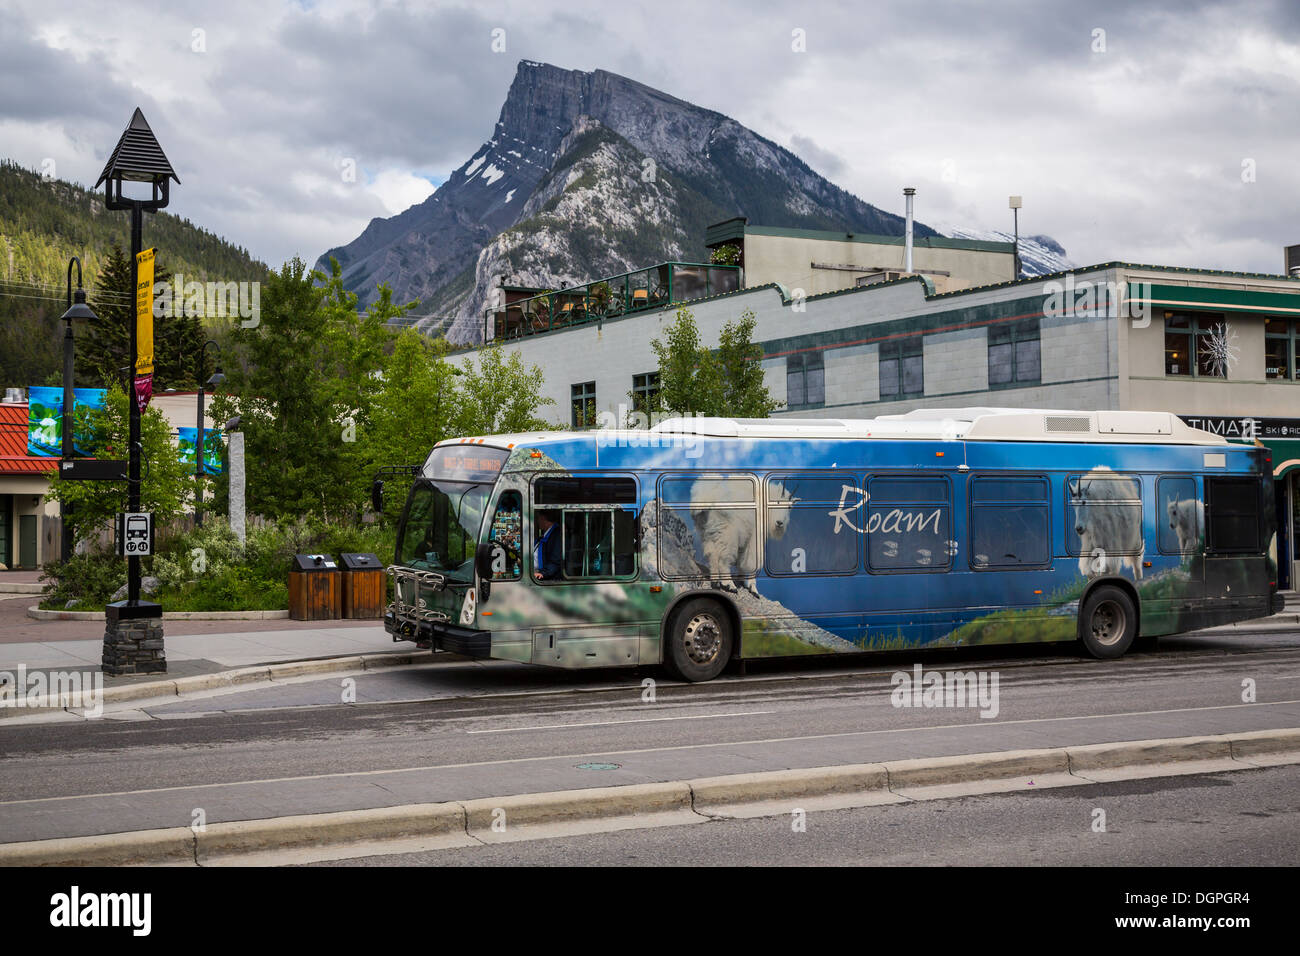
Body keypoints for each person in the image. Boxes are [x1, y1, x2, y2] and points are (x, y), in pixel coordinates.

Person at [533, 509, 563, 580]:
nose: (537, 521)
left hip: (548, 577)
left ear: (543, 518)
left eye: (538, 518)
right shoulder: (545, 535)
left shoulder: (557, 535)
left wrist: (543, 573)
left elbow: (556, 561)